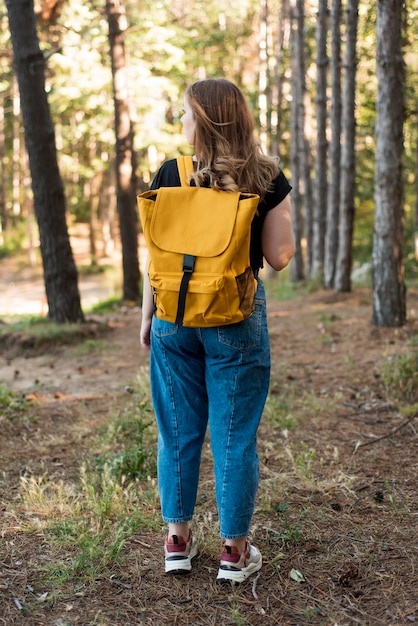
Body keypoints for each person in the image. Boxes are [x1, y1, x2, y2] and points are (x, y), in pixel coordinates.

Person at [140, 78, 295, 583]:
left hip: (173, 318)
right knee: (234, 437)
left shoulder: (169, 173)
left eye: (185, 114)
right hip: (235, 319)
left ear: (204, 122)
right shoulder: (265, 175)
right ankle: (233, 552)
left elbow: (156, 257)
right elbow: (280, 256)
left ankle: (177, 541)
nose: (180, 123)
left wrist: (148, 317)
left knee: (177, 432)